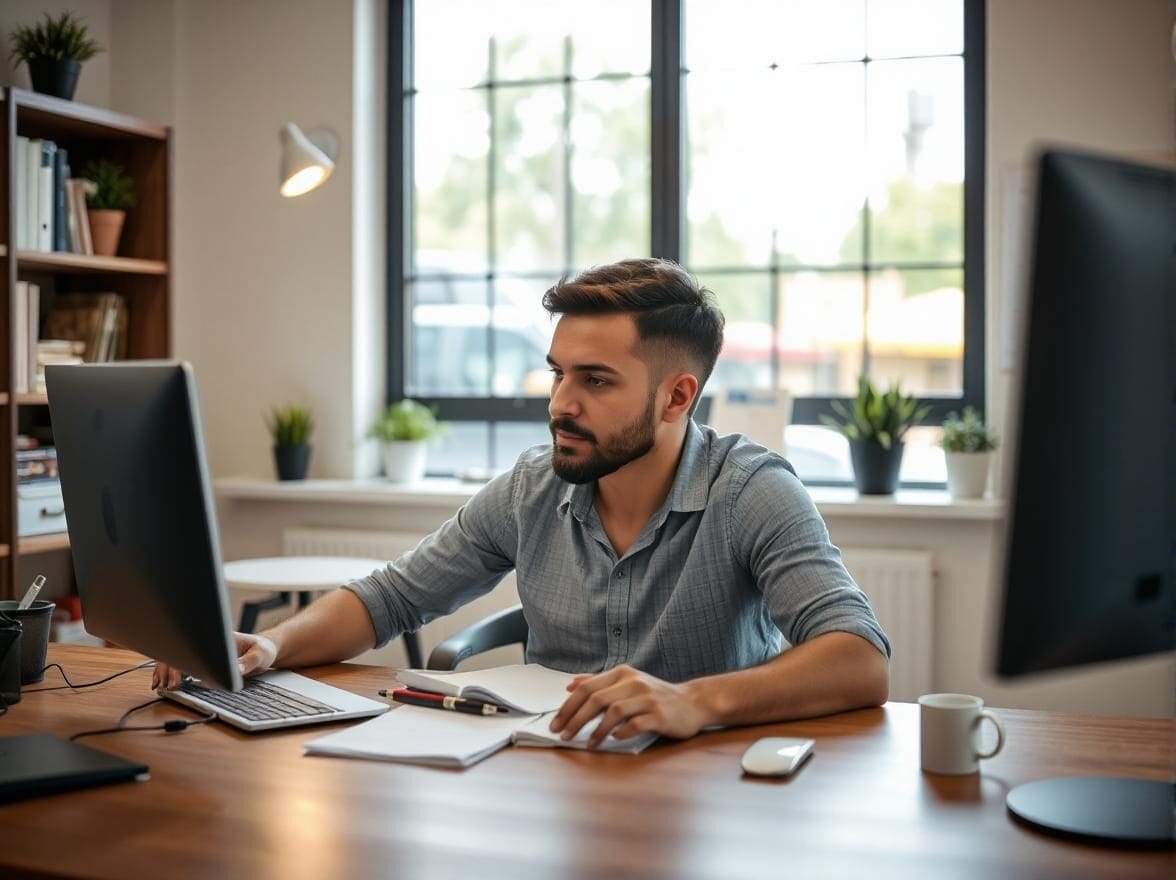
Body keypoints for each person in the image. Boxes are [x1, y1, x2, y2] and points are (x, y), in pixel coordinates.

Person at [155, 258, 890, 748]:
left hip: (710, 794)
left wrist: (694, 701)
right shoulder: (533, 485)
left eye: (595, 381)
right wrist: (271, 645)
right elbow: (389, 598)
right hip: (546, 780)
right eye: (557, 374)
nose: (560, 405)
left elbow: (859, 659)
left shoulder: (752, 491)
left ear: (677, 396)